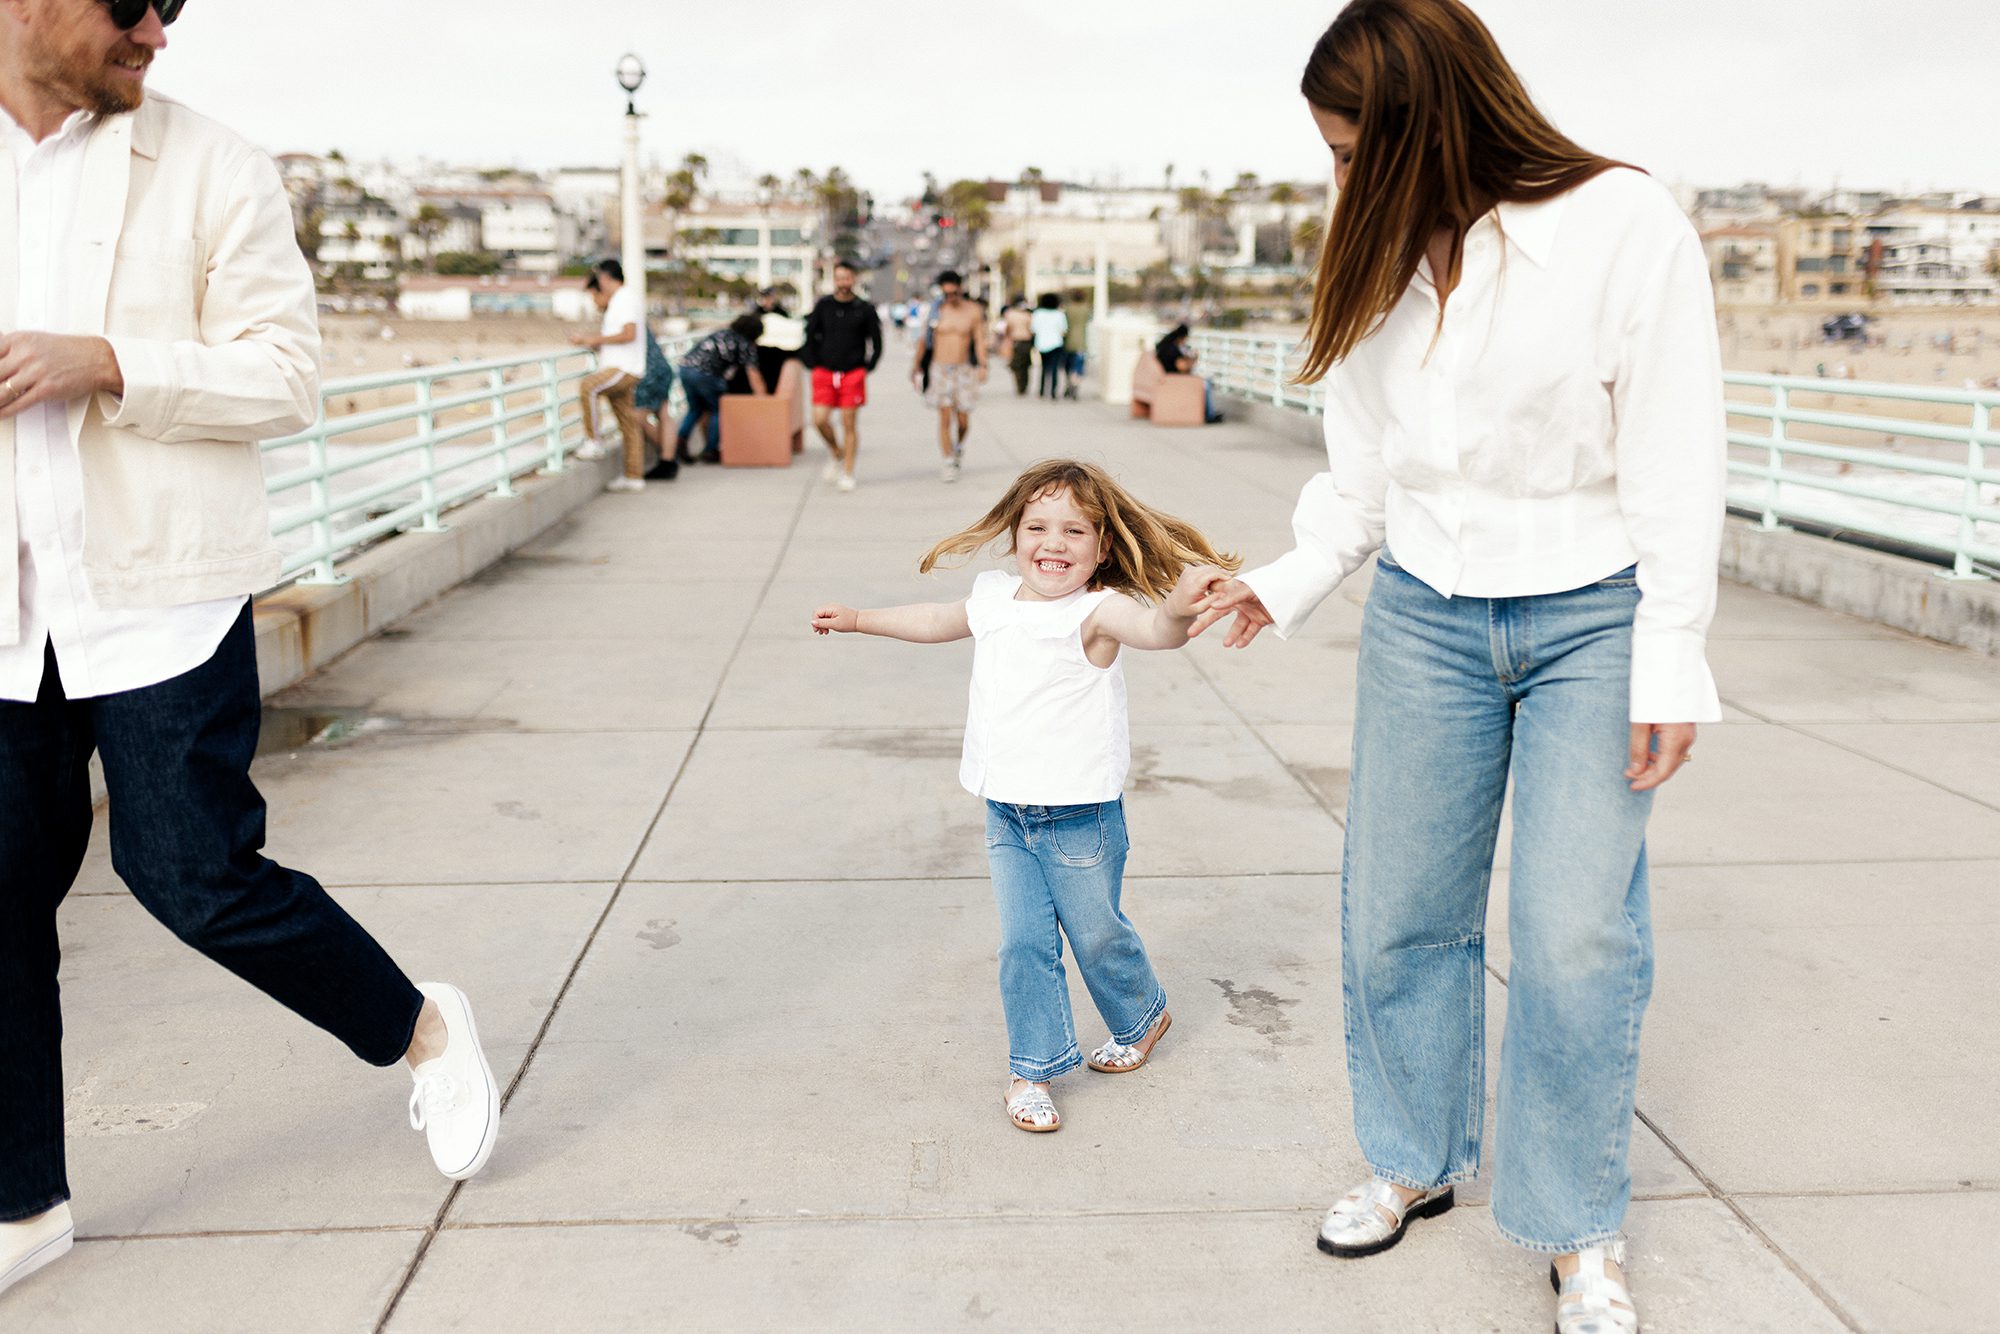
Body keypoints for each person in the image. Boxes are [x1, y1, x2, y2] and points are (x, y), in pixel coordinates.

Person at [1190, 4, 1724, 1330]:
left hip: (1594, 614)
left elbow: (1675, 457)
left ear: (1425, 124)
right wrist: (1283, 576)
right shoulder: (1371, 249)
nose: (1337, 179)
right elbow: (1362, 470)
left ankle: (1575, 1222)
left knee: (1575, 936)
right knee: (1397, 911)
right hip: (1424, 613)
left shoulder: (1622, 225)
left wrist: (1671, 656)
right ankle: (1413, 1156)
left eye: (1348, 150)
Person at [0, 0, 501, 1300]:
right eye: (133, 3)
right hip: (6, 609)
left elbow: (286, 374)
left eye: (173, 9)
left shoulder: (215, 164)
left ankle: (420, 1025)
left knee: (194, 875)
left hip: (158, 593)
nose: (158, 32)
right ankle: (23, 1203)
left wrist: (107, 361)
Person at [811, 460, 1238, 1134]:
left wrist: (1180, 610)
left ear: (1103, 546)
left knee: (1096, 936)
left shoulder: (1098, 611)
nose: (1054, 543)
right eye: (1037, 527)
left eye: (1075, 530)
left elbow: (1157, 631)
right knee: (1023, 945)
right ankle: (1032, 1069)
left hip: (1080, 818)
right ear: (1014, 535)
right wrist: (861, 618)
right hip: (1007, 813)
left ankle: (1142, 1015)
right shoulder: (993, 599)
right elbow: (936, 619)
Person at [802, 260, 882, 493]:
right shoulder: (824, 305)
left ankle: (848, 471)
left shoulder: (864, 308)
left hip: (852, 373)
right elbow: (809, 334)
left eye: (847, 278)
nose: (843, 283)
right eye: (839, 278)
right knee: (819, 420)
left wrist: (868, 366)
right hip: (824, 371)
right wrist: (811, 362)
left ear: (853, 279)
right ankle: (836, 452)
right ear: (834, 280)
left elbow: (876, 341)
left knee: (849, 423)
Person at [569, 259, 648, 492]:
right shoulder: (620, 300)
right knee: (628, 424)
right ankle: (634, 476)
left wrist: (592, 339)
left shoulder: (625, 298)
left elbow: (629, 334)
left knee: (589, 387)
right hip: (624, 365)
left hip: (623, 368)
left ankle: (594, 442)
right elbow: (621, 336)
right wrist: (596, 343)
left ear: (604, 277)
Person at [909, 271, 987, 482]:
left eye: (954, 292)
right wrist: (916, 366)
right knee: (944, 415)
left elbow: (979, 340)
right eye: (946, 293)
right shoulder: (936, 311)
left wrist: (983, 365)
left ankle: (958, 446)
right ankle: (948, 460)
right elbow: (924, 341)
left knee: (963, 420)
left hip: (964, 370)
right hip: (940, 369)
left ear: (960, 288)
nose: (950, 297)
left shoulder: (973, 311)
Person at [674, 314, 768, 465]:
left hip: (685, 368)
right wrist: (765, 402)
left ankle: (680, 441)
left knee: (695, 409)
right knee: (718, 409)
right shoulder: (744, 344)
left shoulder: (721, 333)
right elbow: (753, 374)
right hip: (705, 374)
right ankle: (711, 450)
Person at [633, 323, 679, 481]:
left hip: (648, 372)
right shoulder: (638, 317)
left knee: (636, 417)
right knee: (664, 414)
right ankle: (669, 458)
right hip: (661, 368)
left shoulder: (623, 316)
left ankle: (667, 457)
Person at [1155, 323, 1222, 423]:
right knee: (1206, 383)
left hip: (1169, 377)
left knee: (1205, 381)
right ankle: (1209, 415)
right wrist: (1193, 359)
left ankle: (1209, 414)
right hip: (1174, 379)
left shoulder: (1166, 346)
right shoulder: (1172, 349)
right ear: (1183, 337)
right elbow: (1182, 367)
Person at [1031, 293, 1069, 399]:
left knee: (1044, 367)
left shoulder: (1037, 313)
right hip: (1056, 343)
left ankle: (1042, 390)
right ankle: (1053, 391)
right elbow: (1064, 330)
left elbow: (1033, 329)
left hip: (1041, 343)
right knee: (1054, 368)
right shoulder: (1059, 314)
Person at [1001, 297, 1034, 396]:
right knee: (1025, 366)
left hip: (1015, 342)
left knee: (1017, 366)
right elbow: (1032, 329)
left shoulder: (1010, 314)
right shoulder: (1027, 315)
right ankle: (1024, 386)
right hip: (1026, 342)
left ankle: (1020, 386)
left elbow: (1007, 329)